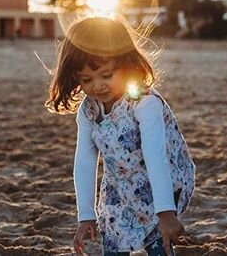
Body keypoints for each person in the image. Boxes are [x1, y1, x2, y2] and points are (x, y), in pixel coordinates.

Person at [46, 16, 195, 256]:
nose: (97, 86)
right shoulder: (89, 109)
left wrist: (166, 212)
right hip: (120, 187)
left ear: (126, 64)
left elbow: (156, 156)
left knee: (159, 241)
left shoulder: (144, 103)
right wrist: (86, 215)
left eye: (106, 75)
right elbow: (84, 161)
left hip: (164, 181)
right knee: (114, 242)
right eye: (86, 79)